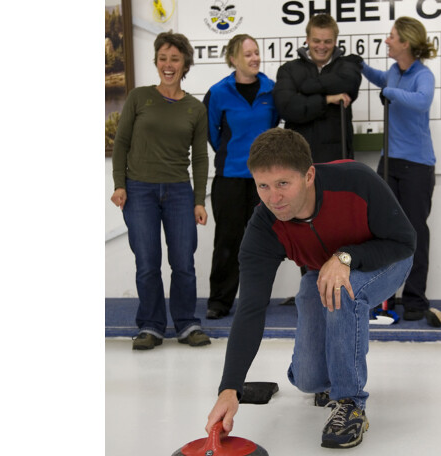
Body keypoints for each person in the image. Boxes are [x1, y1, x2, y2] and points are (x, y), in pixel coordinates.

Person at [205, 129, 415, 449]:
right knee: (308, 380)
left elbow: (405, 241)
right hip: (325, 270)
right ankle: (326, 380)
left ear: (309, 175)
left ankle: (350, 403)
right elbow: (250, 308)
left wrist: (346, 257)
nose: (273, 198)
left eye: (283, 184)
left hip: (387, 258)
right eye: (263, 186)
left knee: (342, 290)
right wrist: (229, 388)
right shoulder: (264, 227)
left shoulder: (356, 181)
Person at [110, 31, 211, 350]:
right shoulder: (139, 98)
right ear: (156, 62)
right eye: (163, 58)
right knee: (147, 262)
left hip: (180, 192)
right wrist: (119, 184)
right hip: (139, 191)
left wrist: (198, 201)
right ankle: (151, 326)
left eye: (175, 59)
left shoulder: (195, 108)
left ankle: (186, 323)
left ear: (185, 64)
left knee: (184, 262)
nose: (168, 64)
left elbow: (201, 157)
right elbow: (121, 143)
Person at [273, 13, 364, 304]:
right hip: (300, 162)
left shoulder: (348, 65)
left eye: (327, 42)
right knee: (302, 227)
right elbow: (289, 108)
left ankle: (336, 287)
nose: (321, 46)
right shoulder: (289, 69)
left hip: (337, 163)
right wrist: (327, 98)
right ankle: (311, 292)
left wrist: (307, 89)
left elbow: (349, 81)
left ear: (335, 41)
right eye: (316, 41)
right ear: (307, 39)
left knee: (338, 227)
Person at [362, 17, 440, 323]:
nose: (387, 40)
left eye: (391, 36)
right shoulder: (395, 71)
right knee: (384, 231)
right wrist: (360, 67)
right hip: (389, 162)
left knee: (415, 232)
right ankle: (383, 299)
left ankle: (415, 300)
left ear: (405, 42)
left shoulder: (424, 75)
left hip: (417, 165)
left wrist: (391, 94)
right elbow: (384, 80)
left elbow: (422, 102)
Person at [202, 34, 280, 320]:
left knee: (261, 241)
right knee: (228, 241)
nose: (255, 58)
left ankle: (255, 300)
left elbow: (273, 127)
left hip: (264, 181)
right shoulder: (218, 93)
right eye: (248, 54)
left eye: (256, 52)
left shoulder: (272, 90)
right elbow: (212, 134)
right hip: (230, 178)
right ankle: (220, 301)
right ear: (233, 58)